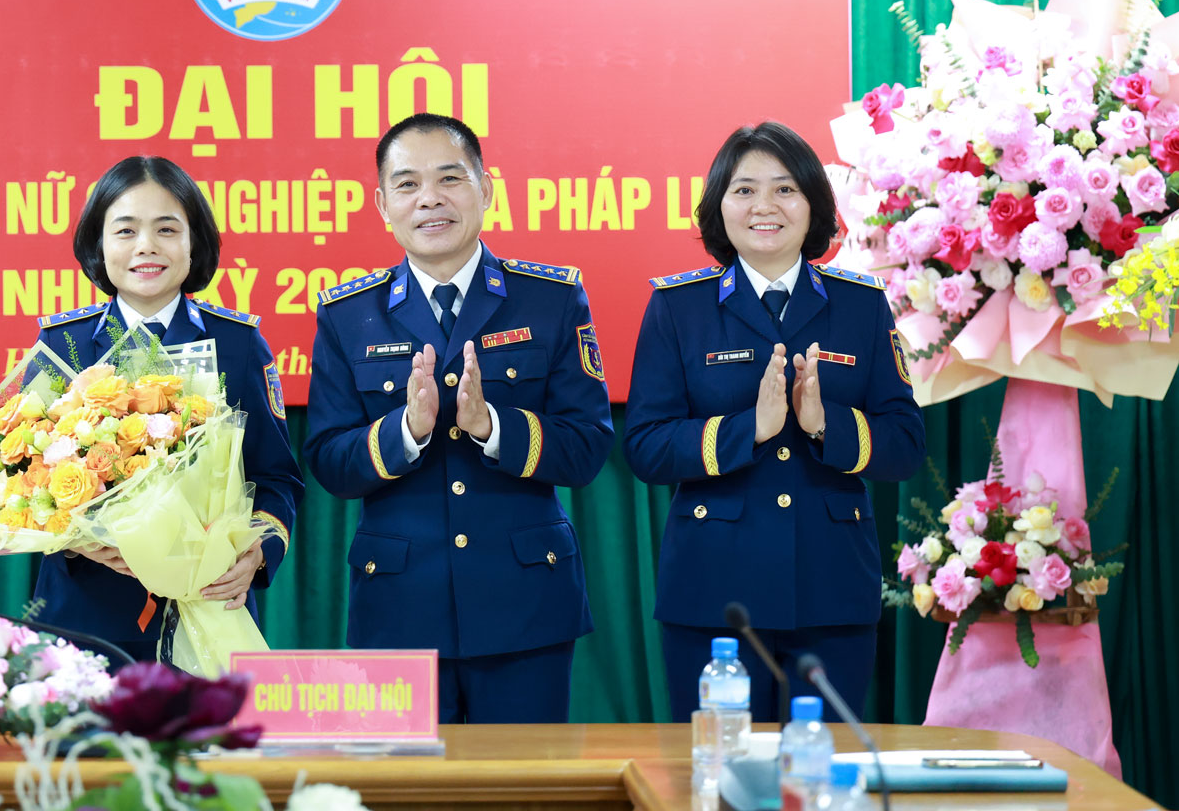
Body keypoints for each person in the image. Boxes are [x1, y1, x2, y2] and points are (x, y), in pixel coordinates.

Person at [304, 114, 613, 724]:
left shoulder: (551, 299)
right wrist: (406, 432)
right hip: (399, 607)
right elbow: (330, 462)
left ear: (485, 189)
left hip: (526, 602)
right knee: (407, 780)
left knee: (524, 779)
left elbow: (587, 447)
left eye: (450, 178)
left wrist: (493, 426)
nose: (430, 199)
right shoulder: (347, 313)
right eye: (407, 184)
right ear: (383, 205)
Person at [624, 121, 924, 722]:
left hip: (831, 589)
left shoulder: (862, 304)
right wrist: (750, 430)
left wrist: (825, 423)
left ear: (813, 206)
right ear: (719, 206)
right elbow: (646, 446)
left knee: (823, 765)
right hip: (714, 595)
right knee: (720, 765)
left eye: (785, 189)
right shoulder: (678, 307)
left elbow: (905, 444)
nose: (764, 206)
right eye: (744, 190)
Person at [32, 156, 303, 664]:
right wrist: (74, 540)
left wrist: (257, 554)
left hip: (208, 608)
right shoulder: (64, 344)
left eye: (166, 229)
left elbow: (276, 478)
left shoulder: (238, 344)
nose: (146, 246)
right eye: (125, 230)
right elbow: (24, 482)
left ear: (194, 242)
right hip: (88, 615)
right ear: (97, 244)